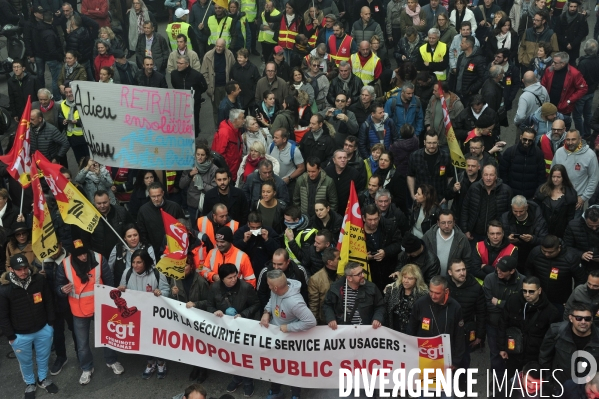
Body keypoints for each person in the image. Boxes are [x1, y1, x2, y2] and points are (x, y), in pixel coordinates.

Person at [55, 239, 124, 384]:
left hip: (100, 306)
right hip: (79, 310)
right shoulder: (65, 264)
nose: (84, 257)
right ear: (73, 255)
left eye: (85, 253)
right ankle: (86, 368)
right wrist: (62, 290)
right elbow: (58, 286)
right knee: (82, 345)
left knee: (108, 337)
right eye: (79, 255)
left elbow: (109, 281)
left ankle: (111, 361)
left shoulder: (99, 258)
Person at [0, 254, 58, 399]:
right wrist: (11, 336)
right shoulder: (5, 289)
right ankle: (30, 383)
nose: (23, 271)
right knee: (25, 361)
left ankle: (43, 379)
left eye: (25, 267)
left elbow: (49, 301)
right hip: (20, 334)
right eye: (19, 269)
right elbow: (3, 315)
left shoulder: (39, 280)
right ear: (11, 269)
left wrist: (50, 324)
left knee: (43, 357)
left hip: (43, 328)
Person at [260, 269, 316, 399]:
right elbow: (271, 301)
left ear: (275, 287)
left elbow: (311, 321)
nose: (267, 286)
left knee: (293, 368)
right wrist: (267, 312)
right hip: (277, 337)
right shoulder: (277, 289)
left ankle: (295, 394)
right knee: (275, 365)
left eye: (269, 285)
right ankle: (275, 391)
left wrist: (289, 327)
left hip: (291, 340)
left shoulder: (295, 302)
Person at [207, 263, 260, 397]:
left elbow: (256, 304)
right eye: (230, 278)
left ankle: (248, 380)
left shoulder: (246, 288)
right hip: (225, 329)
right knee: (233, 356)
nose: (234, 279)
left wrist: (243, 315)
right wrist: (215, 311)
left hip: (243, 328)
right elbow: (209, 305)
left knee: (244, 355)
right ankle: (237, 377)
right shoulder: (214, 288)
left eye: (235, 276)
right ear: (222, 278)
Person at [116, 249, 169, 379]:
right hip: (136, 315)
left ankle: (161, 362)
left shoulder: (157, 273)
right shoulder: (127, 273)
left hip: (154, 315)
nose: (135, 265)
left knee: (156, 340)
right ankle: (150, 363)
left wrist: (160, 293)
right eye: (133, 262)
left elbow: (166, 290)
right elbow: (121, 290)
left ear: (145, 262)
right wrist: (120, 289)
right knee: (144, 341)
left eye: (139, 262)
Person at [497, 275, 561, 376]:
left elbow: (553, 339)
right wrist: (502, 348)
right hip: (514, 352)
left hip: (534, 357)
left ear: (539, 291)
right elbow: (503, 324)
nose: (527, 294)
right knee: (511, 382)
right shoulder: (513, 301)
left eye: (531, 291)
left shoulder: (551, 312)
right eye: (524, 291)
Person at [407, 276, 465, 372]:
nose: (433, 296)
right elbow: (411, 330)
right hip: (423, 355)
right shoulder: (420, 304)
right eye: (431, 291)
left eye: (437, 293)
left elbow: (459, 336)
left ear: (446, 291)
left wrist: (456, 361)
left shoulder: (455, 307)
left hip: (446, 357)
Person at [483, 255, 525, 376]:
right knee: (495, 354)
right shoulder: (489, 279)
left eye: (502, 270)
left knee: (514, 352)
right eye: (497, 268)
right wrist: (509, 307)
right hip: (494, 324)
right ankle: (497, 380)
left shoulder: (522, 281)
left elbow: (520, 307)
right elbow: (488, 303)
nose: (498, 271)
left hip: (513, 326)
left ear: (512, 271)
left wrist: (499, 303)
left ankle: (511, 380)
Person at [539, 302, 599, 385]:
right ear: (571, 318)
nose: (583, 322)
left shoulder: (597, 337)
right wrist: (548, 383)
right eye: (579, 318)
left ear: (592, 319)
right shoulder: (557, 331)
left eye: (587, 318)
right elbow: (545, 358)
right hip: (560, 386)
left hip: (588, 390)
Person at [446, 259, 485, 381]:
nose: (462, 273)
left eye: (463, 269)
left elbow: (481, 313)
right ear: (450, 272)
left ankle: (462, 388)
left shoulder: (476, 287)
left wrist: (480, 335)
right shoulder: (443, 285)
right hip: (445, 330)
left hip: (464, 330)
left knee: (463, 361)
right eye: (458, 270)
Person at [527, 234, 585, 314]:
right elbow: (528, 268)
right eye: (544, 251)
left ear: (559, 248)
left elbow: (580, 279)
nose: (546, 254)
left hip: (560, 300)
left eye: (550, 252)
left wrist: (572, 299)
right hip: (538, 297)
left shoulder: (571, 258)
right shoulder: (535, 252)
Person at [461, 164, 513, 245]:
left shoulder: (506, 190)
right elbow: (465, 209)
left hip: (496, 236)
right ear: (482, 176)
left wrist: (506, 233)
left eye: (491, 175)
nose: (488, 178)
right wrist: (465, 230)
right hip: (475, 235)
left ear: (496, 176)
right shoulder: (474, 188)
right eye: (486, 175)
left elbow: (510, 214)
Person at [552, 129, 598, 218]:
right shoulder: (559, 152)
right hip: (558, 198)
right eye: (568, 139)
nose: (570, 142)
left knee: (573, 228)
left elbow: (594, 178)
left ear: (580, 139)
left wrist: (583, 197)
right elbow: (552, 174)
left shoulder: (590, 155)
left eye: (573, 139)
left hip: (577, 202)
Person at [137, 182, 186, 255]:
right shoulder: (143, 210)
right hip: (153, 250)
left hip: (173, 249)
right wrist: (148, 248)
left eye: (158, 195)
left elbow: (182, 228)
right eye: (153, 196)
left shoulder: (174, 207)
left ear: (163, 193)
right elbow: (142, 232)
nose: (156, 199)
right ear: (149, 195)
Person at [407, 131, 453, 204]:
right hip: (421, 199)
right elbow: (410, 176)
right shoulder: (415, 156)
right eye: (429, 143)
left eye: (434, 143)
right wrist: (413, 195)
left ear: (438, 142)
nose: (432, 146)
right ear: (424, 142)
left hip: (440, 199)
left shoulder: (446, 156)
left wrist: (446, 197)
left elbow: (450, 177)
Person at [499, 128, 546, 199]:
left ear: (533, 140)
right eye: (525, 139)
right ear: (520, 137)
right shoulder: (510, 152)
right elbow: (503, 172)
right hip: (512, 194)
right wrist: (507, 191)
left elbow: (541, 175)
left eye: (530, 140)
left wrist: (538, 193)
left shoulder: (538, 154)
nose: (527, 142)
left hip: (531, 196)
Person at [423, 210, 471, 277]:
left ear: (454, 223)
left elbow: (467, 260)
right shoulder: (428, 236)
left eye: (449, 222)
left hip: (453, 280)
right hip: (432, 278)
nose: (446, 226)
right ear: (438, 223)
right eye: (443, 223)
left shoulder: (462, 239)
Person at [533, 164, 577, 238]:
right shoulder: (542, 190)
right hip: (542, 229)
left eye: (558, 177)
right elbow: (536, 211)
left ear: (563, 177)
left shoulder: (570, 194)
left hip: (561, 232)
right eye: (553, 177)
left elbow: (570, 217)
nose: (555, 179)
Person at [108, 224, 155, 291]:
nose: (133, 238)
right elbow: (110, 269)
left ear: (139, 235)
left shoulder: (148, 248)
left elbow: (153, 267)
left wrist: (140, 256)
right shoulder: (118, 248)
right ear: (125, 238)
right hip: (123, 287)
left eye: (135, 235)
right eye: (129, 236)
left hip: (143, 287)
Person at [384, 263, 428, 333]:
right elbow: (385, 310)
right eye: (404, 277)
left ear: (417, 280)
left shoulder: (423, 294)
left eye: (410, 278)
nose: (406, 281)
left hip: (413, 333)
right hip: (393, 331)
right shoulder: (392, 289)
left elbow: (426, 317)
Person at [200, 39, 236, 125]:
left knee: (229, 108)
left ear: (224, 46)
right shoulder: (208, 56)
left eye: (221, 46)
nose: (218, 48)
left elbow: (234, 68)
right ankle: (218, 127)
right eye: (217, 46)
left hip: (226, 87)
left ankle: (228, 126)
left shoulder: (229, 54)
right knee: (216, 109)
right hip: (214, 87)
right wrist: (208, 84)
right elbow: (204, 72)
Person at [541, 52, 588, 117]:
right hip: (548, 106)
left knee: (562, 126)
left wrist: (569, 101)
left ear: (563, 64)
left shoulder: (574, 73)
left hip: (563, 109)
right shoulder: (549, 70)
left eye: (555, 63)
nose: (552, 64)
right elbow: (543, 85)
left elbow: (583, 88)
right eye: (553, 61)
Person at [180, 144, 217, 221]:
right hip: (192, 204)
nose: (200, 157)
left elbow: (215, 189)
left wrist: (201, 183)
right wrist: (190, 175)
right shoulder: (190, 166)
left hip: (206, 205)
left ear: (206, 156)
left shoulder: (213, 169)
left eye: (202, 155)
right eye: (198, 154)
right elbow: (181, 185)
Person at [425, 81, 464, 148]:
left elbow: (461, 123)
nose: (433, 92)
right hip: (433, 139)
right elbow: (428, 111)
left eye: (435, 91)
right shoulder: (433, 99)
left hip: (448, 142)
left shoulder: (457, 105)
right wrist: (428, 125)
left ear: (442, 91)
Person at [35, 11, 64, 101]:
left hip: (45, 56)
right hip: (53, 59)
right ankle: (57, 98)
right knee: (56, 79)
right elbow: (52, 50)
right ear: (52, 19)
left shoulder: (40, 28)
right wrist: (60, 57)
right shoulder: (49, 34)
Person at [212, 109, 245, 182]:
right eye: (242, 118)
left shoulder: (236, 130)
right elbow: (220, 155)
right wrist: (227, 170)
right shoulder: (225, 133)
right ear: (235, 120)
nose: (244, 120)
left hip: (234, 169)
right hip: (229, 171)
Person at [308, 247, 339, 324]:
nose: (342, 260)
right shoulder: (315, 279)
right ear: (330, 262)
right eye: (339, 258)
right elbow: (314, 304)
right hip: (325, 321)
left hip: (341, 318)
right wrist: (315, 324)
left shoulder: (343, 275)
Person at [454, 35, 487, 107]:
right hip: (458, 93)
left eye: (462, 43)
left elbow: (482, 78)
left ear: (468, 45)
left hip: (469, 95)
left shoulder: (479, 59)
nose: (460, 44)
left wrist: (471, 90)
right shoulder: (461, 56)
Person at [564, 205, 599, 274]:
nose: (594, 228)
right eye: (591, 226)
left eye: (597, 226)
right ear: (585, 220)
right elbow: (567, 246)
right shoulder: (573, 226)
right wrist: (581, 254)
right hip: (582, 265)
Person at [553, 0, 588, 64]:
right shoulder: (561, 17)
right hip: (562, 46)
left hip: (574, 47)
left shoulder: (581, 18)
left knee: (572, 66)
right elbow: (557, 32)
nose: (573, 8)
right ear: (568, 7)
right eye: (571, 6)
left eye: (575, 7)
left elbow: (583, 32)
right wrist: (566, 43)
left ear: (577, 7)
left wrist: (572, 44)